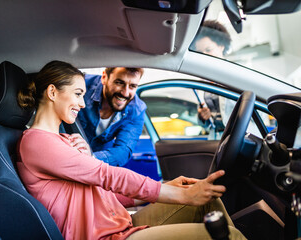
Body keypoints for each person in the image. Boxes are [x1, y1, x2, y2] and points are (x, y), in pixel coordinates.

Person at [16, 60, 246, 240]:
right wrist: (179, 194)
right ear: (53, 92)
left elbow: (99, 189)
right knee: (230, 236)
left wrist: (166, 186)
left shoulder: (65, 139)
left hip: (117, 222)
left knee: (207, 200)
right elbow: (105, 175)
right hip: (104, 236)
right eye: (78, 94)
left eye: (84, 95)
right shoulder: (37, 142)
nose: (83, 103)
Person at [76, 67, 146, 166]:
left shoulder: (137, 110)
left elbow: (123, 151)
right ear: (104, 77)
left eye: (132, 86)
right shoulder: (80, 85)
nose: (125, 93)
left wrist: (91, 157)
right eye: (119, 83)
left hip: (98, 164)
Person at [191, 20, 232, 138]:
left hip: (240, 138)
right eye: (200, 52)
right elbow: (206, 124)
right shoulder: (204, 79)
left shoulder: (237, 75)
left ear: (221, 46)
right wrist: (202, 116)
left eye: (208, 50)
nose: (204, 55)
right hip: (217, 138)